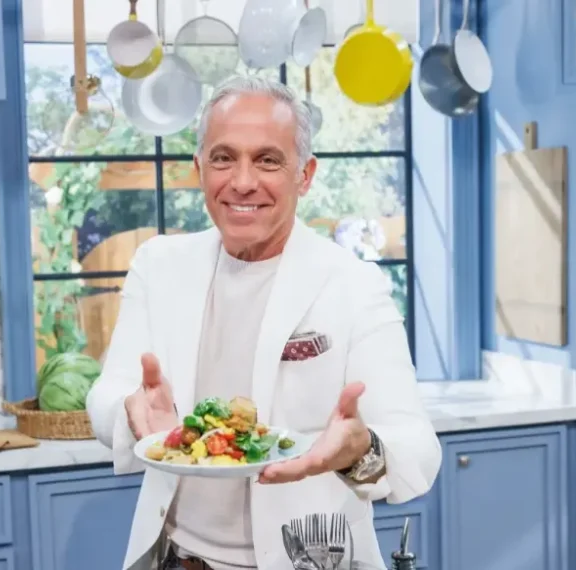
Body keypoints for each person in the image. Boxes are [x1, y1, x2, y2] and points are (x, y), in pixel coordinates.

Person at [86, 76, 441, 570]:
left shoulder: (353, 284)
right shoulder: (159, 265)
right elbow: (104, 396)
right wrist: (129, 409)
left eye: (268, 160)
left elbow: (417, 447)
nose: (243, 181)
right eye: (223, 157)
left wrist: (360, 451)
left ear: (305, 175)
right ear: (199, 168)